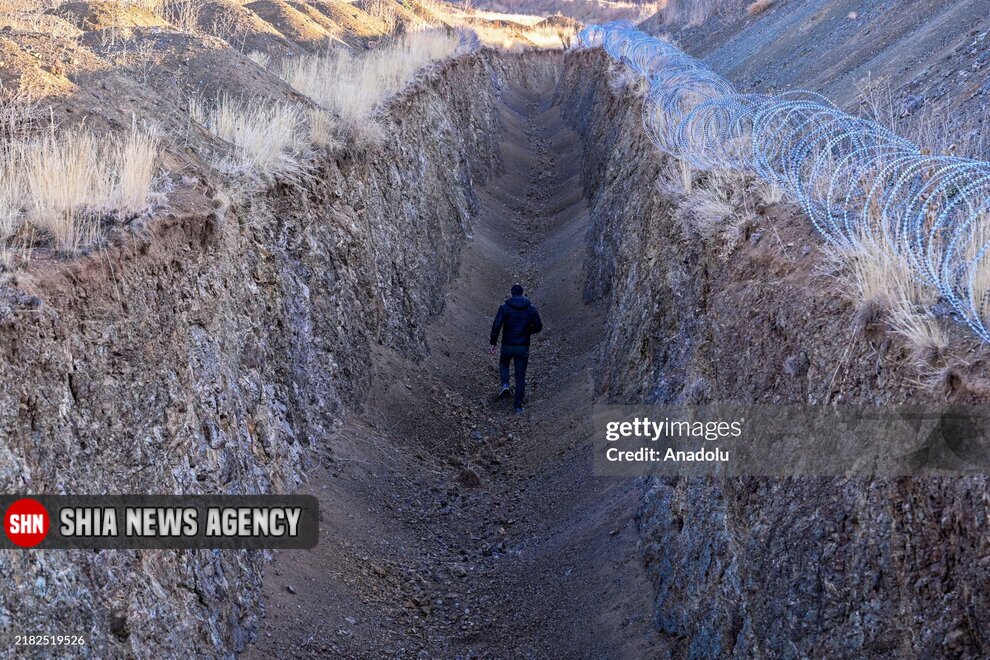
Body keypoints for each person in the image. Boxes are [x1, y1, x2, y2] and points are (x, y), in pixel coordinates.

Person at [489, 284, 543, 414]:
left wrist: (493, 343)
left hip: (507, 344)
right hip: (522, 347)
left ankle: (505, 384)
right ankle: (518, 407)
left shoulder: (505, 307)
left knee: (504, 363)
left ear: (511, 293)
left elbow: (497, 325)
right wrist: (527, 331)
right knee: (520, 376)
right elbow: (539, 326)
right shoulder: (531, 309)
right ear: (522, 293)